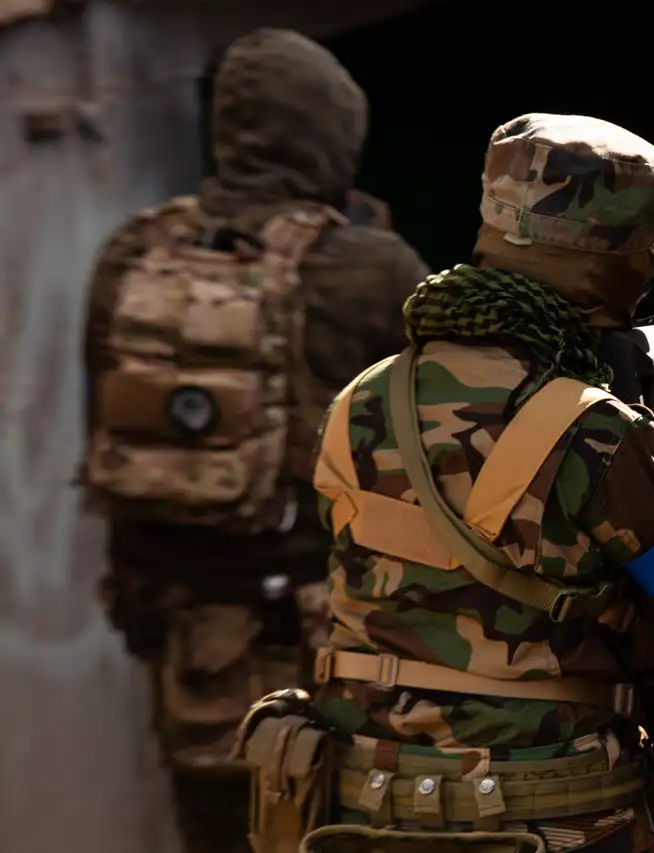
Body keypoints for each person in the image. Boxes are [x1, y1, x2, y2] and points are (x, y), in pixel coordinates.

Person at [252, 113, 654, 853]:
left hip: (365, 816)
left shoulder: (364, 400)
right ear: (618, 266)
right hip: (550, 822)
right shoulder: (595, 436)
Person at [80, 28, 429, 853]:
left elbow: (107, 441)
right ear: (330, 132)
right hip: (337, 653)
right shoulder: (371, 266)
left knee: (217, 835)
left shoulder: (131, 255)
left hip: (190, 643)